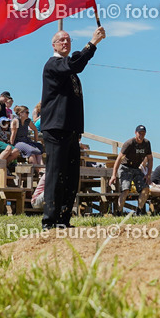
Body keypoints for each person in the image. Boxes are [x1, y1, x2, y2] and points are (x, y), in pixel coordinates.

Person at [40, 27, 107, 229]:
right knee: (56, 173)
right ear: (53, 45)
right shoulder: (53, 64)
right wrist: (93, 43)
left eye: (68, 40)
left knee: (71, 176)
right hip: (55, 128)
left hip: (71, 130)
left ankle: (63, 219)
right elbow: (75, 64)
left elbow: (74, 64)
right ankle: (49, 221)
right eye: (61, 40)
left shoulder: (68, 69)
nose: (65, 43)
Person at [110, 125, 153, 211]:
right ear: (135, 133)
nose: (141, 135)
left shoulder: (147, 143)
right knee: (125, 190)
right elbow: (118, 159)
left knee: (145, 188)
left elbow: (150, 159)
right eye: (139, 133)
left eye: (143, 133)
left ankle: (139, 210)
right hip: (125, 167)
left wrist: (148, 175)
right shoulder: (129, 143)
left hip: (136, 168)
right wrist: (114, 175)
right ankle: (119, 211)